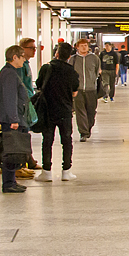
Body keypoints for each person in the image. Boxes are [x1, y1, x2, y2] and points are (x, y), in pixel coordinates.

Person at [35, 42, 79, 181]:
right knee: (66, 140)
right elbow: (74, 92)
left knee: (47, 140)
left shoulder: (46, 68)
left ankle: (46, 171)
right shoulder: (71, 71)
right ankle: (66, 171)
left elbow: (38, 84)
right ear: (69, 56)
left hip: (47, 109)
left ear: (57, 53)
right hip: (65, 110)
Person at [0, 45, 30, 194]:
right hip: (11, 120)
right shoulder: (9, 74)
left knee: (14, 149)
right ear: (14, 57)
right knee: (11, 150)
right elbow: (10, 98)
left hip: (12, 117)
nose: (24, 59)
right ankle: (8, 183)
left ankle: (12, 181)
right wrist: (14, 119)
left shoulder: (11, 72)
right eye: (22, 56)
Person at [16, 37, 41, 177]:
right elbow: (21, 85)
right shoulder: (20, 66)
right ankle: (23, 163)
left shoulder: (26, 63)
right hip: (23, 103)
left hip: (28, 100)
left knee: (25, 132)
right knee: (22, 132)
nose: (34, 50)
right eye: (31, 48)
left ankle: (28, 160)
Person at [71, 38, 101, 142]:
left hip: (91, 89)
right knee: (80, 112)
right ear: (77, 47)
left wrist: (93, 81)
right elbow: (70, 74)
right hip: (78, 90)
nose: (84, 47)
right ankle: (83, 132)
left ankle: (88, 127)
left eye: (85, 45)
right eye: (82, 45)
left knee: (91, 112)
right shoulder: (73, 59)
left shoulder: (94, 58)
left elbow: (97, 71)